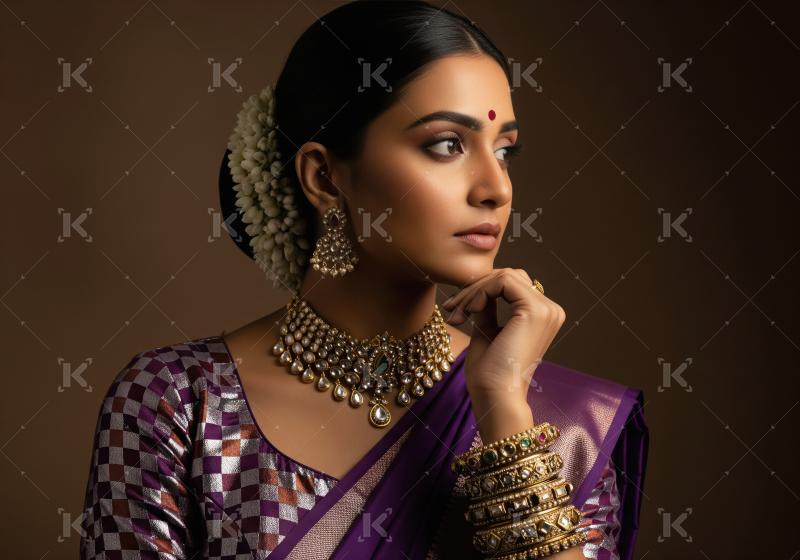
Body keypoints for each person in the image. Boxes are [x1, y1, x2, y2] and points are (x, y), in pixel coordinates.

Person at [79, 1, 648, 559]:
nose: (496, 188)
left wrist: (502, 408)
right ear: (324, 176)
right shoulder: (180, 402)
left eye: (504, 151)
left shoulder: (568, 424)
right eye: (447, 145)